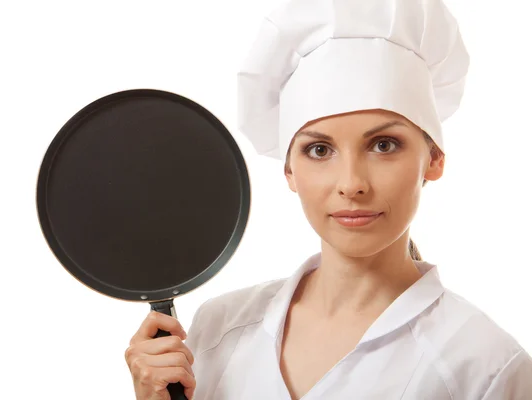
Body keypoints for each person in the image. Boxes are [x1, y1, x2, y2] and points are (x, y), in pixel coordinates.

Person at [124, 0, 532, 398]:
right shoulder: (219, 328)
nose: (352, 183)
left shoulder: (486, 366)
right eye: (319, 150)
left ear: (434, 160)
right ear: (289, 172)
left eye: (384, 145)